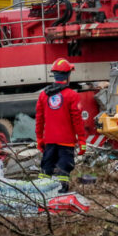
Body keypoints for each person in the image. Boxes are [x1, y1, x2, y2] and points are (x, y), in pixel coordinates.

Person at [35, 59, 87, 192]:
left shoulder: (43, 95)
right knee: (63, 171)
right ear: (68, 76)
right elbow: (77, 120)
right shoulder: (72, 95)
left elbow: (39, 120)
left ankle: (44, 196)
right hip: (66, 142)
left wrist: (40, 139)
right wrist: (82, 140)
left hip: (49, 141)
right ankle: (62, 195)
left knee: (46, 171)